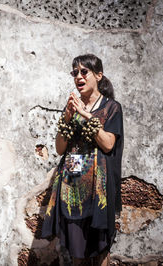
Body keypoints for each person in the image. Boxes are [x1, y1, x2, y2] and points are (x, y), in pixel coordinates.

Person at [41, 54, 124, 266]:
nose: (79, 76)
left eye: (84, 71)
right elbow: (60, 149)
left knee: (100, 248)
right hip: (73, 187)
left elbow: (108, 144)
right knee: (77, 250)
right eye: (75, 72)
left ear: (98, 75)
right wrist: (68, 118)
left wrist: (86, 115)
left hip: (99, 188)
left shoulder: (111, 108)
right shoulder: (70, 108)